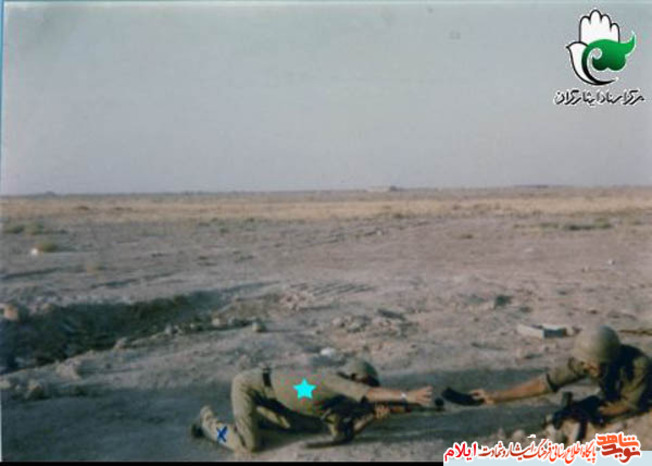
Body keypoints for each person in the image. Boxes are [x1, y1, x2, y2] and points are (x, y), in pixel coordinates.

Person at [191, 358, 434, 453]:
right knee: (250, 445)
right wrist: (407, 396)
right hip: (250, 387)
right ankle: (208, 423)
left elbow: (339, 435)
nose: (365, 390)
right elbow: (370, 394)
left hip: (276, 402)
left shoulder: (338, 402)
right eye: (365, 383)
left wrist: (371, 418)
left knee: (306, 425)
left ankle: (257, 419)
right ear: (354, 377)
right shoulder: (332, 381)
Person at [471, 326, 651, 442]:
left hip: (643, 399)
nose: (586, 367)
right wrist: (498, 396)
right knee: (565, 416)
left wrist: (593, 413)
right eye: (584, 363)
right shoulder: (587, 359)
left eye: (592, 365)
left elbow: (630, 405)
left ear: (609, 360)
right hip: (614, 394)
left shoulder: (639, 367)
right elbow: (545, 384)